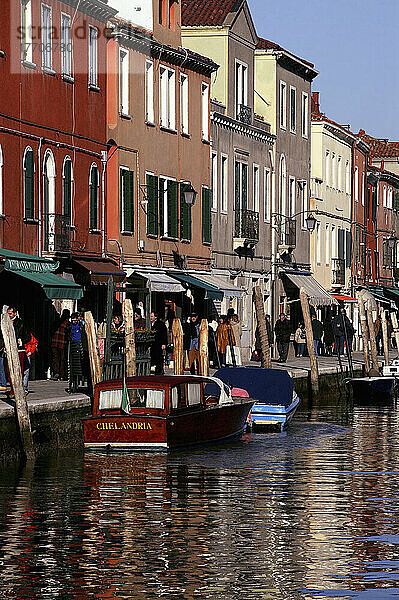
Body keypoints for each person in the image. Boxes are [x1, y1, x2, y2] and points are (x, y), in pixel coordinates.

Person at [6, 306, 31, 395]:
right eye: (8, 313)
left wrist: (21, 341)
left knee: (18, 370)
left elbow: (28, 337)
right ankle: (13, 389)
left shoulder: (21, 323)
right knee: (9, 371)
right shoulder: (5, 323)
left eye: (10, 313)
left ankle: (18, 390)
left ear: (15, 313)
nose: (9, 315)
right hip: (8, 350)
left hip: (19, 350)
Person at [66, 312, 89, 394]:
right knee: (72, 368)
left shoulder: (81, 325)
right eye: (73, 319)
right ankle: (73, 385)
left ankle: (80, 383)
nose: (74, 321)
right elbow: (67, 335)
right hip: (72, 347)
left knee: (80, 367)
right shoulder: (69, 326)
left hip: (80, 346)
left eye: (75, 319)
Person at [51, 310, 70, 380]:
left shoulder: (57, 321)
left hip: (54, 342)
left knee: (56, 358)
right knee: (62, 359)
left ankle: (56, 372)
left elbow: (52, 330)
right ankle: (62, 374)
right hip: (62, 343)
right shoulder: (67, 323)